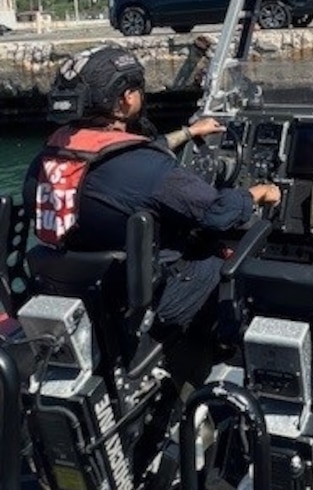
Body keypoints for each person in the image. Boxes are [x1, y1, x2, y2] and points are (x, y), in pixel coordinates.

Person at [23, 45, 281, 341]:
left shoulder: (47, 158)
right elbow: (218, 213)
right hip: (148, 300)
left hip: (75, 286)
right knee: (233, 264)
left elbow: (118, 156)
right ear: (127, 98)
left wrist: (187, 133)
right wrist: (259, 193)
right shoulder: (150, 170)